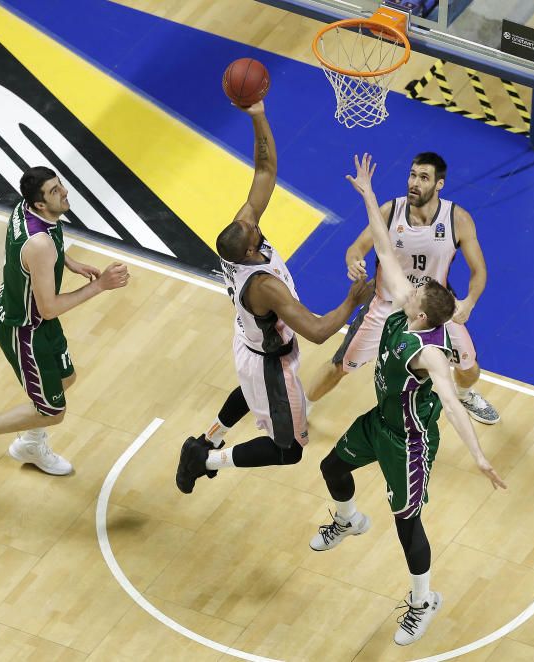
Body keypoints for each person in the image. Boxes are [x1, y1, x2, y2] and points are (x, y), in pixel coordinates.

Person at [310, 153, 506, 646]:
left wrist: (480, 458)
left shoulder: (431, 354)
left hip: (410, 443)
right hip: (380, 420)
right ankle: (349, 520)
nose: (405, 290)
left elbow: (454, 406)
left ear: (421, 314)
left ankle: (423, 601)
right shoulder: (402, 303)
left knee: (406, 524)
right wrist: (370, 196)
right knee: (332, 469)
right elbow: (382, 243)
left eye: (415, 296)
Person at [175, 100, 373, 494]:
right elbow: (317, 331)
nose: (256, 226)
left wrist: (258, 114)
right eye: (253, 233)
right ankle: (207, 459)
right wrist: (353, 301)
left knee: (251, 395)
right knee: (290, 449)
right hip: (268, 363)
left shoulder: (239, 234)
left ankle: (209, 437)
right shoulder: (265, 287)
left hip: (249, 342)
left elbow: (266, 170)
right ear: (249, 252)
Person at [0, 166, 129, 488]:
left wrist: (67, 262)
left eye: (60, 185)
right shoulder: (39, 245)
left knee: (66, 377)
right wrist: (101, 285)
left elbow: (45, 244)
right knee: (53, 410)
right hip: (24, 329)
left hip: (36, 317)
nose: (64, 192)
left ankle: (29, 444)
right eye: (55, 191)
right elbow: (50, 306)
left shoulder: (27, 209)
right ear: (39, 204)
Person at [307, 152, 500, 425]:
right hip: (386, 307)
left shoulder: (458, 219)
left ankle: (465, 394)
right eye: (412, 175)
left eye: (423, 178)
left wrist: (469, 302)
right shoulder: (390, 212)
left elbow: (479, 271)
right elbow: (356, 248)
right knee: (340, 366)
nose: (414, 183)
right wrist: (353, 263)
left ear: (439, 184)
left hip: (435, 306)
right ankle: (303, 406)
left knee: (469, 368)